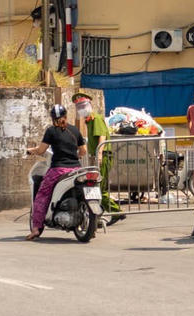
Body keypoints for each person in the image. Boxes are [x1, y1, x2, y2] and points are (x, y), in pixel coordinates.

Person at [24, 104, 85, 240]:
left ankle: (36, 229)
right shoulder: (75, 130)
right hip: (76, 169)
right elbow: (83, 151)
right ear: (65, 116)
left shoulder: (51, 131)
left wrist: (31, 151)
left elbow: (41, 150)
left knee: (42, 194)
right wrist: (77, 155)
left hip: (59, 169)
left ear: (52, 118)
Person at [74, 92, 124, 223]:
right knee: (100, 187)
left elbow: (101, 136)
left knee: (98, 188)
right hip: (97, 156)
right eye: (79, 107)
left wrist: (99, 154)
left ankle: (115, 211)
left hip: (103, 155)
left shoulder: (95, 119)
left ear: (89, 105)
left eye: (83, 105)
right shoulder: (89, 121)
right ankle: (111, 212)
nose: (81, 109)